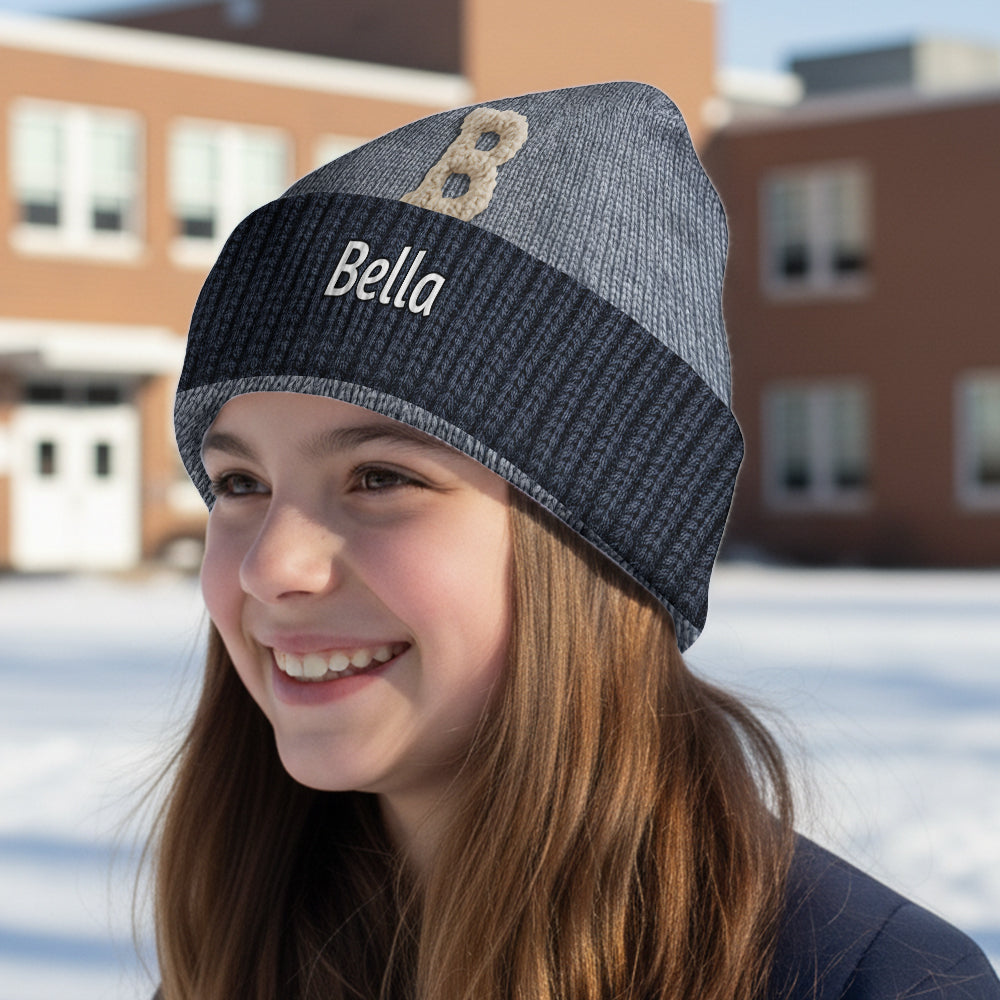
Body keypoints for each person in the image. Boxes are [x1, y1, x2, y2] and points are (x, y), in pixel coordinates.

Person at [157, 82, 999, 999]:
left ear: (600, 545)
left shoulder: (879, 984)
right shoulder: (240, 951)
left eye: (381, 477)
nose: (271, 566)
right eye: (240, 483)